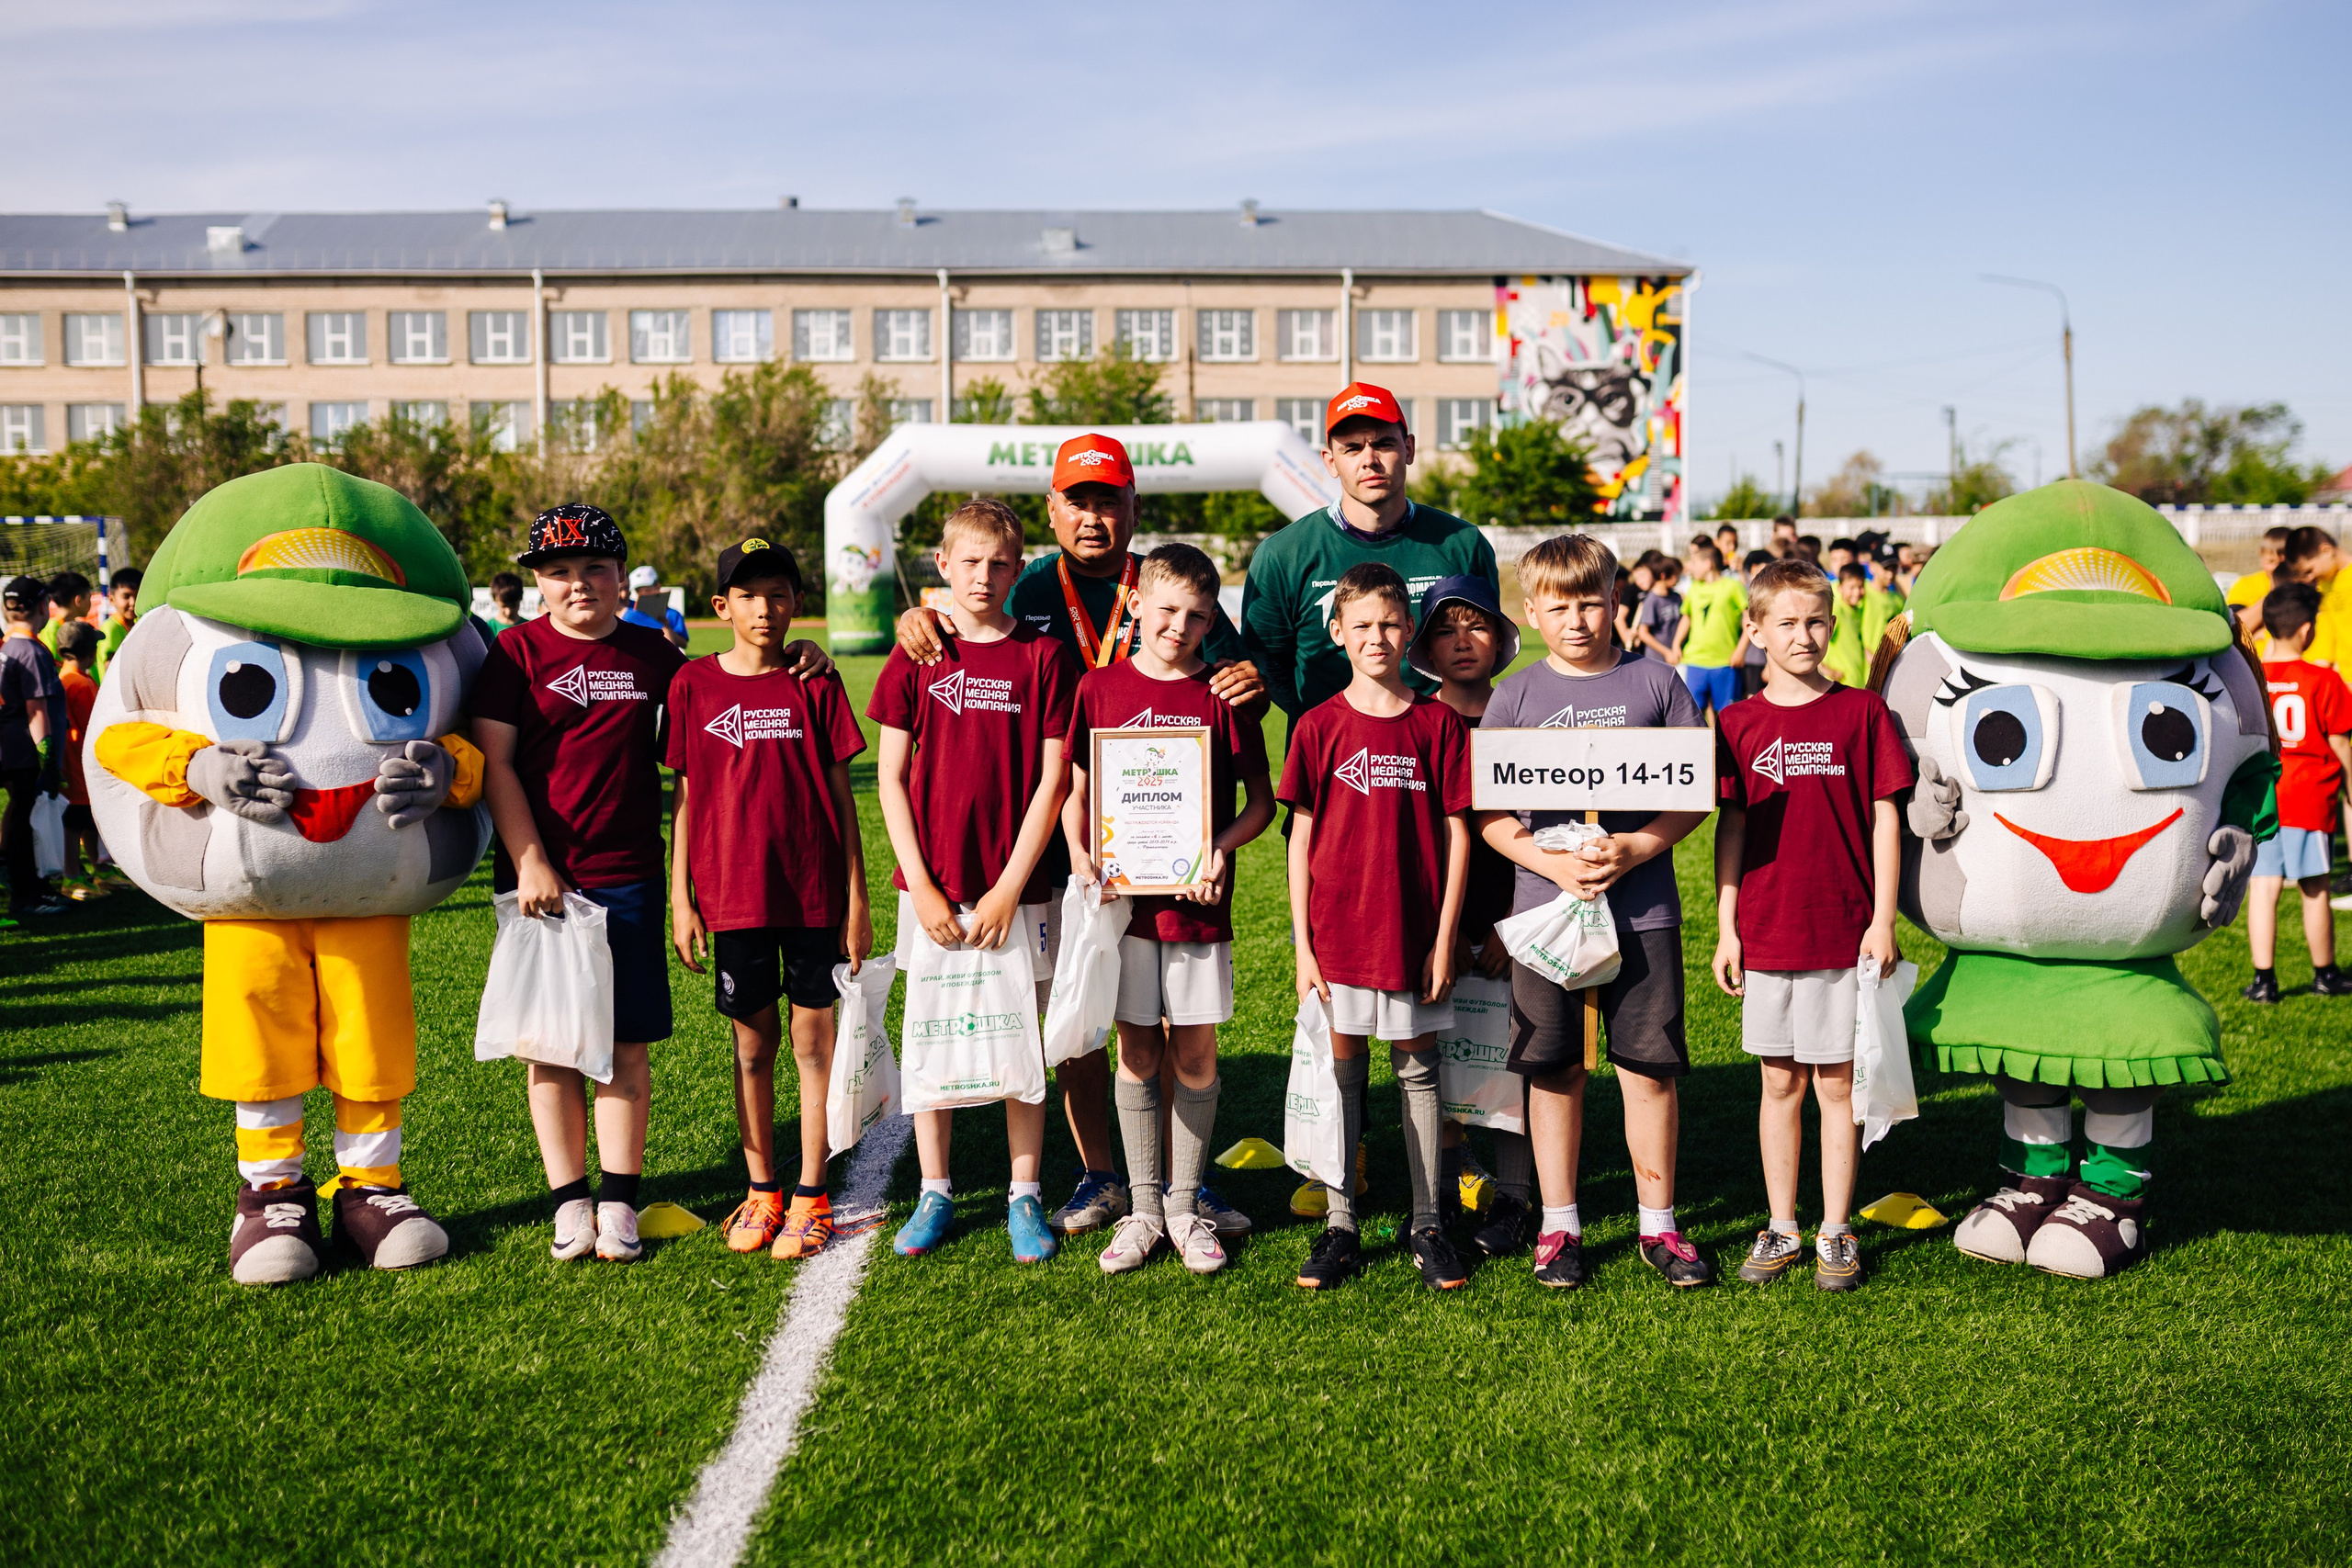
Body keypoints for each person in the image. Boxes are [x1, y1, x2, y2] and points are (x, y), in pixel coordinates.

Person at [893, 434, 1265, 1241]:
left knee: (1164, 1021)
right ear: (1054, 510)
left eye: (1109, 500)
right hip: (1062, 845)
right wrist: (915, 619)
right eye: (1079, 502)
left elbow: (1231, 676)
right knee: (1082, 1016)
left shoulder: (1168, 583)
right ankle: (1106, 1171)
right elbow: (958, 610)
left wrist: (1249, 678)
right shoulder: (1022, 583)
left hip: (1163, 846)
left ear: (1133, 505)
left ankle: (1178, 1185)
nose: (1094, 517)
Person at [474, 505, 749, 1263]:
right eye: (559, 572)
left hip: (627, 873)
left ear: (620, 576)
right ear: (538, 582)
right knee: (553, 1049)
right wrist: (530, 857)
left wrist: (804, 661)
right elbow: (495, 764)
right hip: (543, 881)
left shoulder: (655, 655)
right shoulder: (515, 654)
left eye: (593, 568)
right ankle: (570, 1203)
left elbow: (710, 732)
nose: (577, 585)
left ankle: (620, 1201)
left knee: (627, 1046)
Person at [1476, 535, 1713, 1290]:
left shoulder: (1655, 680)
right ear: (1532, 611)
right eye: (1558, 606)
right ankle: (1559, 1223)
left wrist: (1638, 847)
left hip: (1642, 913)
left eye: (1591, 602)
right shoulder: (1513, 695)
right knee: (1554, 1070)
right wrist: (1550, 862)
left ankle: (1659, 1224)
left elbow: (1692, 790)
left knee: (1646, 1068)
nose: (1577, 620)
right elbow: (1488, 812)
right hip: (1549, 918)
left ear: (1617, 601)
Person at [871, 498, 1078, 1264]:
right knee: (932, 1035)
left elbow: (1053, 779)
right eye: (970, 562)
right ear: (941, 565)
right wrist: (921, 886)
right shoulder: (921, 653)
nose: (984, 576)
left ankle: (1025, 1193)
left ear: (1019, 569)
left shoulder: (1043, 657)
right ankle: (936, 1188)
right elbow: (890, 778)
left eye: (1000, 563)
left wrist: (1007, 886)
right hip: (931, 885)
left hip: (1016, 889)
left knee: (1022, 1039)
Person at [1062, 543, 1275, 1277]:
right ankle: (1144, 1206)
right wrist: (1083, 853)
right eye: (1166, 610)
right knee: (1137, 1052)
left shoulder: (1222, 693)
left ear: (1212, 618)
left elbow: (1263, 802)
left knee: (1192, 1052)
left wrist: (1217, 848)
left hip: (1195, 908)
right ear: (1138, 608)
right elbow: (1075, 797)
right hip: (1125, 909)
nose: (1179, 626)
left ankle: (1185, 1205)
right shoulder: (1098, 688)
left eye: (1196, 615)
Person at [1711, 558, 1912, 1292]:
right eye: (1787, 623)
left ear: (1833, 623)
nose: (1804, 635)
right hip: (1767, 931)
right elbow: (1729, 828)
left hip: (1843, 928)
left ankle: (1835, 1228)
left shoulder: (1861, 712)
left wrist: (1883, 917)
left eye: (1816, 621)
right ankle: (1781, 1224)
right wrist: (1727, 925)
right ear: (1755, 630)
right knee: (1778, 1084)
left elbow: (1887, 818)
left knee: (1836, 1086)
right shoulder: (1735, 722)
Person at [668, 538, 873, 1258]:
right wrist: (681, 898)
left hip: (814, 894)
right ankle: (761, 1191)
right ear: (722, 607)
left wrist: (857, 897)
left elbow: (844, 800)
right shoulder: (693, 684)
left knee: (814, 1047)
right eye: (749, 595)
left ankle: (812, 1194)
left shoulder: (816, 682)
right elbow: (686, 794)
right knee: (753, 1048)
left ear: (796, 603)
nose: (766, 608)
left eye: (779, 593)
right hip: (732, 897)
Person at [1282, 561, 1472, 1291]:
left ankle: (1428, 1221)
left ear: (1409, 631)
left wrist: (1446, 933)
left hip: (1415, 934)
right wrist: (1303, 943)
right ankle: (1341, 1224)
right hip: (1338, 935)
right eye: (1361, 624)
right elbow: (1300, 839)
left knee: (1418, 1069)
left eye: (1391, 623)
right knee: (1343, 1075)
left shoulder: (1438, 723)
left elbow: (1458, 833)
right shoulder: (1318, 724)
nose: (1377, 636)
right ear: (1337, 632)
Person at [1242, 382, 1497, 732]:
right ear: (1330, 461)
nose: (1369, 460)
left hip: (1438, 750)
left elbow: (1485, 652)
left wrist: (1426, 722)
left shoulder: (1462, 544)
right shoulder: (1282, 554)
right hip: (1330, 757)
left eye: (1383, 443)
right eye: (1352, 448)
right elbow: (1267, 668)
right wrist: (1330, 722)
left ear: (1408, 447)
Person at [1406, 573, 1534, 1258]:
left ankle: (1513, 1198)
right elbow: (1413, 840)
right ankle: (1451, 1184)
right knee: (1440, 1056)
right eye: (1447, 628)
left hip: (1519, 919)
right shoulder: (1417, 720)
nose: (1463, 640)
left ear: (1501, 636)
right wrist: (1442, 934)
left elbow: (1547, 828)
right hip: (1438, 928)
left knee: (1517, 1058)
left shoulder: (1525, 716)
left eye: (1477, 624)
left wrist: (1515, 926)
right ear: (1425, 643)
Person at [2242, 582, 2352, 1004]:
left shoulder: (2255, 680)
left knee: (2264, 888)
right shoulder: (2324, 679)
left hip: (2267, 795)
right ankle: (2325, 973)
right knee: (2315, 888)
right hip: (2309, 795)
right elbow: (2341, 742)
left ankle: (2264, 980)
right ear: (2306, 630)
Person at [2, 576, 69, 922]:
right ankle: (26, 895)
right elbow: (36, 711)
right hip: (21, 752)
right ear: (43, 606)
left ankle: (35, 888)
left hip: (8, 748)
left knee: (18, 821)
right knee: (23, 824)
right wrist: (49, 763)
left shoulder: (5, 646)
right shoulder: (29, 650)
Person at [51, 620, 107, 899]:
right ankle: (71, 875)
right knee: (75, 821)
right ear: (89, 651)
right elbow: (91, 727)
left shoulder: (64, 678)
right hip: (80, 763)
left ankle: (96, 867)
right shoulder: (80, 684)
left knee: (84, 818)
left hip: (71, 761)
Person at [1669, 536, 1747, 724]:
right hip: (1695, 661)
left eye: (1694, 563)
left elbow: (1748, 620)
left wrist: (1740, 651)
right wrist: (1676, 644)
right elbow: (1686, 618)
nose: (1690, 567)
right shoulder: (1694, 589)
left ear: (1708, 563)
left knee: (1727, 718)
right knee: (1691, 715)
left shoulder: (1733, 586)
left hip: (1724, 662)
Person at [2227, 526, 2292, 645]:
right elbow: (2235, 629)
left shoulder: (2307, 585)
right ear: (2261, 556)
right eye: (2271, 561)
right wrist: (2271, 596)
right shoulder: (2246, 584)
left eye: (2284, 562)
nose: (2278, 568)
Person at [620, 563, 690, 649]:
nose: (644, 594)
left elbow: (683, 643)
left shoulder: (672, 614)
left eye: (648, 590)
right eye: (639, 592)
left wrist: (665, 627)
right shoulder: (628, 610)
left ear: (658, 585)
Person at [1632, 554, 1682, 662]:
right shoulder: (1652, 600)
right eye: (1675, 575)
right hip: (1657, 659)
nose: (1678, 579)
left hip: (1677, 656)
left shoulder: (1676, 597)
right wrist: (1666, 652)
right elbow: (1643, 633)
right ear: (1664, 576)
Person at [1738, 549, 1775, 699]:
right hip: (1750, 658)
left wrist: (1770, 664)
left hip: (1762, 658)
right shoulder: (1744, 591)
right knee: (1752, 697)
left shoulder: (1769, 591)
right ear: (1754, 567)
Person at [99, 567, 140, 671]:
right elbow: (110, 668)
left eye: (138, 596)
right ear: (112, 599)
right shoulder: (110, 628)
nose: (133, 602)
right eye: (126, 596)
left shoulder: (138, 625)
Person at [485, 570, 528, 637]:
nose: (508, 612)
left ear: (521, 598)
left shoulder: (529, 627)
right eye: (503, 606)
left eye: (514, 606)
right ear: (494, 599)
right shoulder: (487, 628)